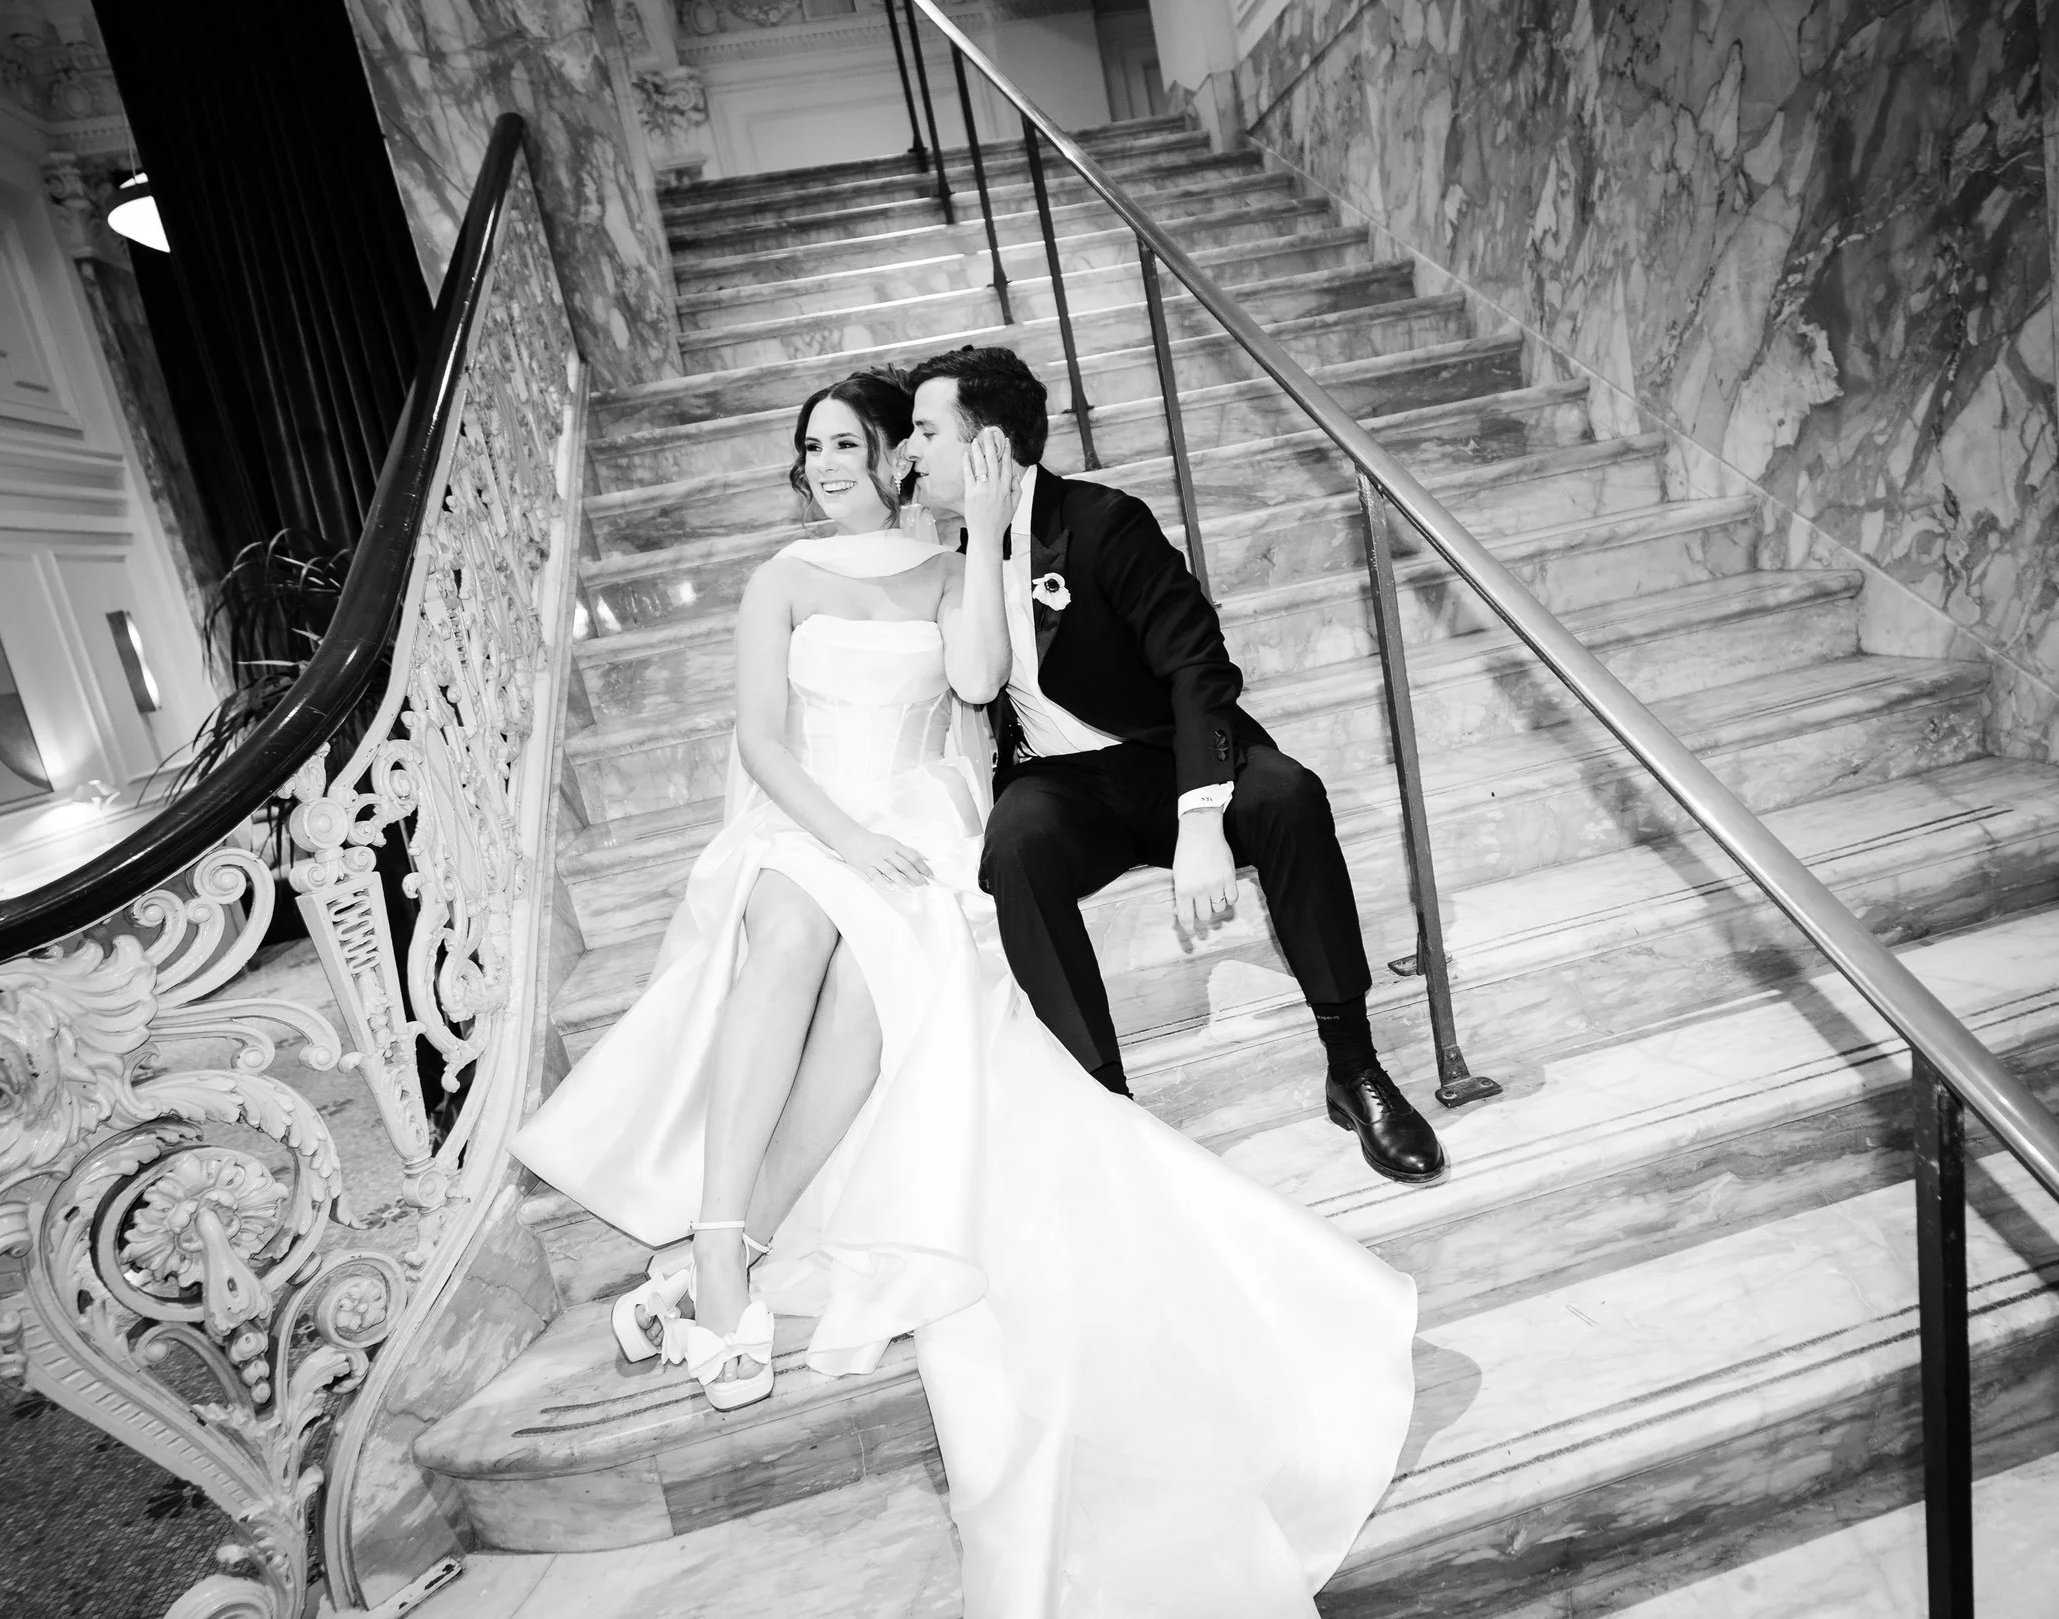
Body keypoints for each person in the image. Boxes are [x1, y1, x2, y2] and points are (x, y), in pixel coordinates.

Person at [509, 370, 1415, 1617]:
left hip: (1013, 795)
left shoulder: (1010, 548)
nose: (829, 463)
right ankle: (721, 1251)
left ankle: (1348, 1057)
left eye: (860, 442)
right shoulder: (779, 578)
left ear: (905, 457)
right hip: (811, 814)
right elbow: (766, 741)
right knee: (806, 920)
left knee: (906, 965)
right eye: (810, 447)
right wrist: (834, 831)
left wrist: (986, 542)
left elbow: (995, 684)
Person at [895, 344, 1447, 1184]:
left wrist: (1200, 816)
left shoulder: (1104, 522)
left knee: (1289, 795)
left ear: (990, 446)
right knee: (1015, 847)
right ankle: (1106, 1105)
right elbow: (974, 681)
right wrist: (971, 528)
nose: (909, 450)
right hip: (1058, 782)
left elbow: (1199, 667)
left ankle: (1355, 1065)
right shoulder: (955, 557)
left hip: (1161, 757)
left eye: (926, 431)